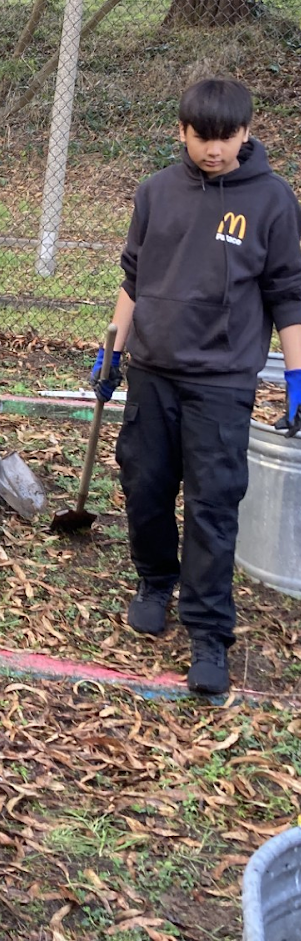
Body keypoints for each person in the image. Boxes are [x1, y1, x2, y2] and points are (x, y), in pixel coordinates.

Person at [92, 77, 301, 696]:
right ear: (181, 133)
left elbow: (288, 294)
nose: (215, 150)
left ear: (246, 131)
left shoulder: (272, 201)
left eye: (227, 138)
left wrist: (295, 374)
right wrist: (114, 351)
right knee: (146, 485)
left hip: (222, 382)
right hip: (154, 370)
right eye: (203, 138)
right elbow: (134, 278)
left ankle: (209, 633)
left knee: (213, 504)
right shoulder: (156, 192)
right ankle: (155, 579)